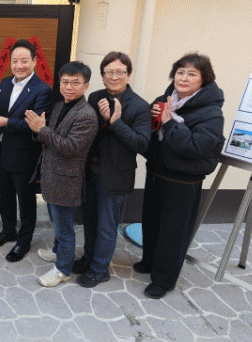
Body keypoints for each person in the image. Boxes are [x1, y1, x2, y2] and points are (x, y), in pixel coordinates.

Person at [136, 53, 224, 299]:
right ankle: (149, 261)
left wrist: (168, 122)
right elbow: (147, 135)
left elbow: (196, 147)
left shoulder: (211, 113)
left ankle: (164, 280)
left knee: (172, 233)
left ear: (204, 80)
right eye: (180, 72)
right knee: (151, 222)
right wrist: (151, 119)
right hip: (157, 172)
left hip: (183, 181)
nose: (183, 78)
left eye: (191, 74)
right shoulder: (165, 100)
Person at [62, 52, 151, 288]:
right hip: (90, 171)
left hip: (115, 176)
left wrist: (115, 121)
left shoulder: (140, 106)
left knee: (107, 225)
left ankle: (100, 269)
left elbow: (142, 144)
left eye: (120, 71)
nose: (114, 76)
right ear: (102, 76)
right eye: (109, 72)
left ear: (128, 74)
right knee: (90, 220)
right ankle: (89, 258)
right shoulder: (95, 97)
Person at [25, 61, 98, 287]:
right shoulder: (59, 106)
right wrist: (39, 131)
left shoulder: (86, 115)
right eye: (65, 82)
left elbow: (70, 147)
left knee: (65, 229)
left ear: (86, 86)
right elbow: (48, 136)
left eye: (75, 82)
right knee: (57, 222)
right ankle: (58, 252)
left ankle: (63, 269)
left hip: (67, 182)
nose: (69, 87)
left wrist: (41, 130)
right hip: (51, 176)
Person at [0, 39, 53, 262]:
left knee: (26, 201)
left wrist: (6, 122)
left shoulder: (42, 90)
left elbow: (34, 125)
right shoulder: (5, 83)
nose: (19, 65)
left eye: (24, 60)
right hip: (2, 149)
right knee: (4, 196)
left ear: (34, 61)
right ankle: (8, 231)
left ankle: (23, 242)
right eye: (15, 61)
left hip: (24, 154)